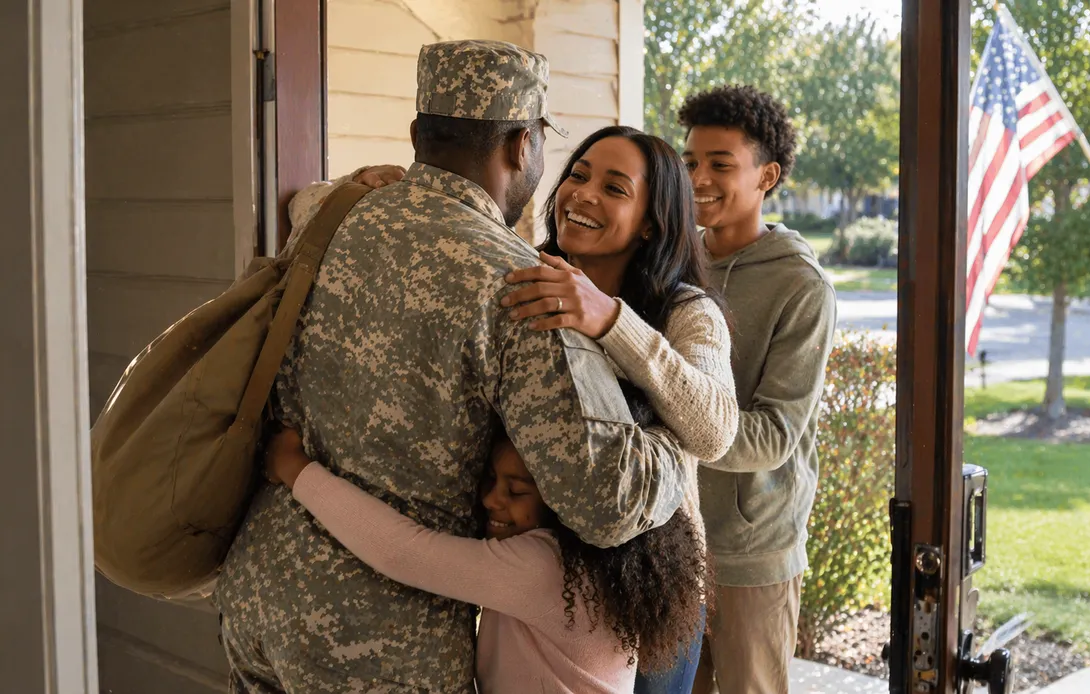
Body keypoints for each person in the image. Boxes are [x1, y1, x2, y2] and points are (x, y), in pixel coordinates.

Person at [214, 40, 691, 694]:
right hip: (378, 634)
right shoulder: (523, 286)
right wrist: (674, 444)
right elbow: (605, 501)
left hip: (256, 589)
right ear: (523, 145)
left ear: (417, 134)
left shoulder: (331, 220)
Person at [294, 124, 739, 693]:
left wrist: (610, 320)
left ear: (652, 221)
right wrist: (375, 188)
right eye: (578, 175)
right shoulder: (521, 268)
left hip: (640, 592)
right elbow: (304, 204)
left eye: (615, 188)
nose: (584, 194)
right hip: (535, 573)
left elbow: (717, 430)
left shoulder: (686, 311)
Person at [262, 382, 707, 694]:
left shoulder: (545, 569)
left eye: (517, 491)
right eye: (490, 480)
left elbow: (403, 551)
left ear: (564, 498)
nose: (492, 500)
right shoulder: (606, 560)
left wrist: (296, 469)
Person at [678, 85, 838, 694]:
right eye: (691, 161)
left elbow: (773, 435)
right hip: (671, 540)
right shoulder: (675, 260)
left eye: (722, 164)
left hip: (751, 551)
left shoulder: (802, 286)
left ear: (767, 175)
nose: (700, 177)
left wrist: (679, 416)